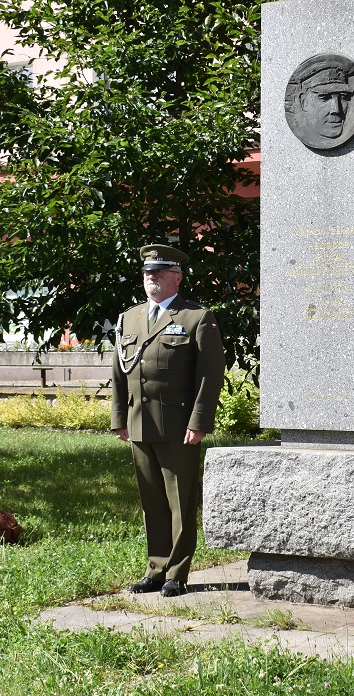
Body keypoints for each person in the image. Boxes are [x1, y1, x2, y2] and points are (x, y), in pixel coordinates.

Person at [111, 243, 225, 597]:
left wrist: (199, 421)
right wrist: (119, 417)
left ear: (177, 277)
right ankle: (156, 568)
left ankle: (177, 572)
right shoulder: (128, 318)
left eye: (159, 272)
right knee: (152, 501)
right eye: (147, 273)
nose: (151, 278)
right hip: (140, 422)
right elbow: (118, 372)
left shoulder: (196, 317)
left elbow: (210, 374)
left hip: (179, 426)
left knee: (179, 500)